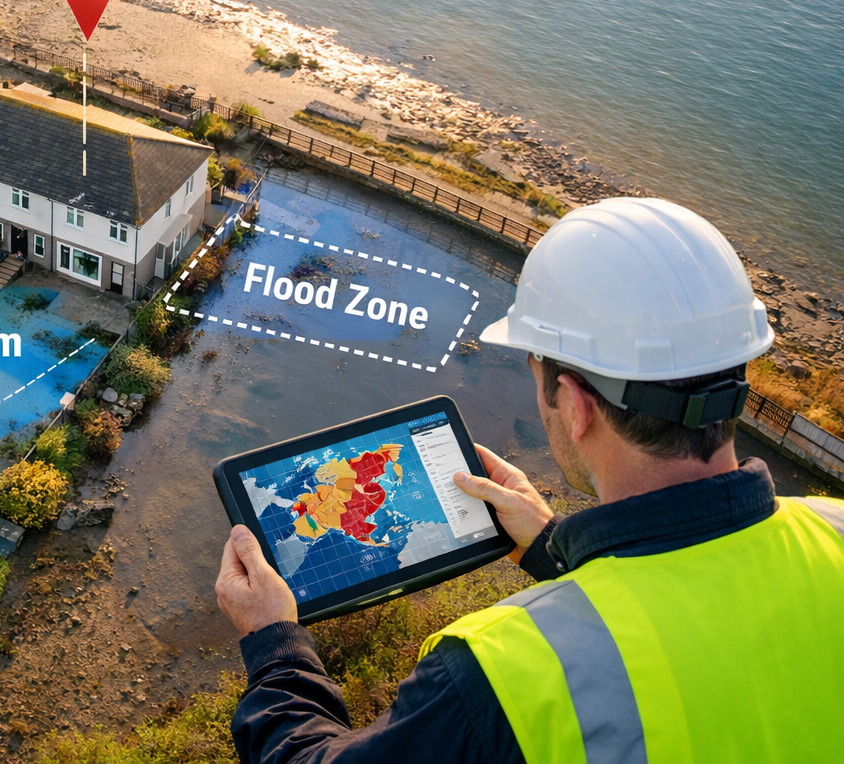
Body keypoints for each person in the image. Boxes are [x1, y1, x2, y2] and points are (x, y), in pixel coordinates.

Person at [216, 197, 844, 764]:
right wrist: (549, 547)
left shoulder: (502, 674)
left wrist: (273, 644)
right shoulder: (833, 528)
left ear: (573, 405)